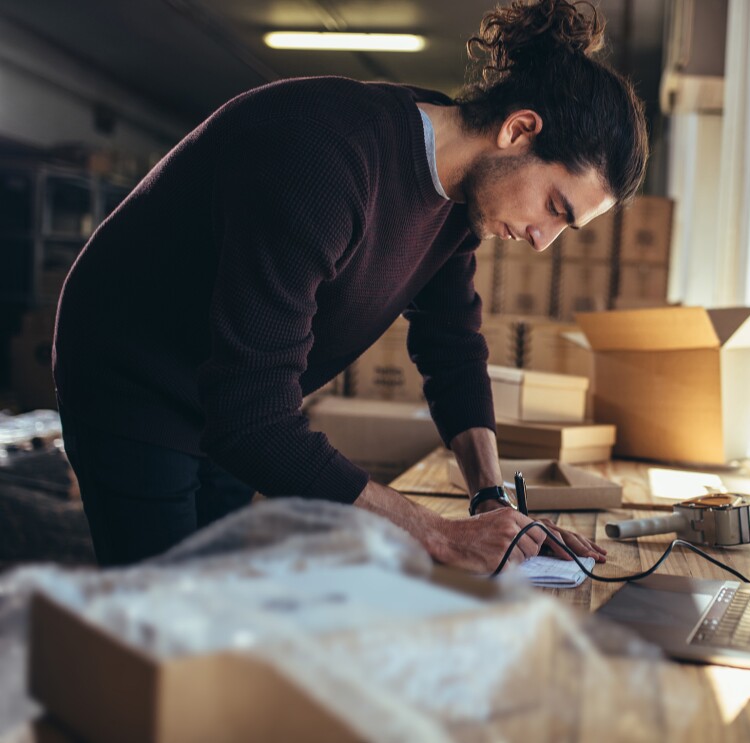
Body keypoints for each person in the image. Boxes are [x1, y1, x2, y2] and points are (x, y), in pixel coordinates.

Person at [52, 0, 648, 571]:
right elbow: (252, 421)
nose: (543, 241)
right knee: (163, 613)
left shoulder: (461, 193)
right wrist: (440, 535)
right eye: (555, 207)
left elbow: (452, 347)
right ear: (518, 130)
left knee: (215, 587)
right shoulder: (327, 158)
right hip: (132, 374)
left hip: (228, 388)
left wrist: (493, 501)